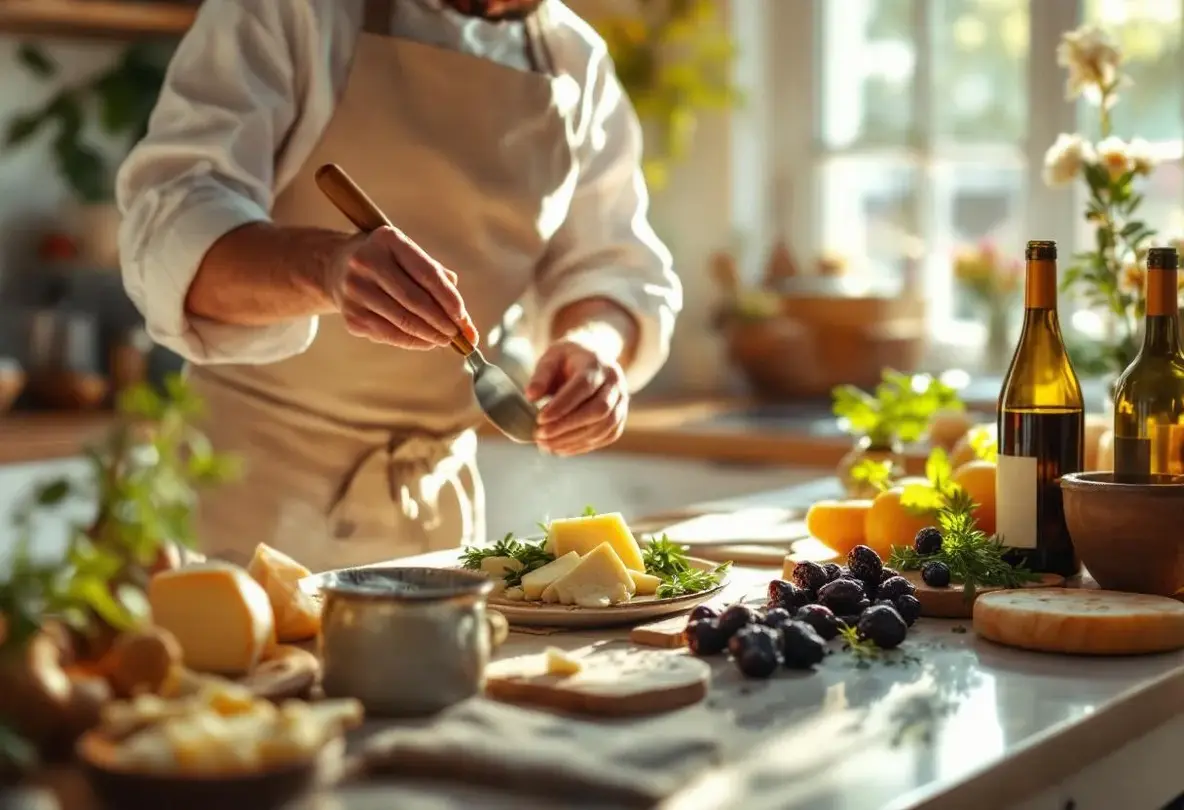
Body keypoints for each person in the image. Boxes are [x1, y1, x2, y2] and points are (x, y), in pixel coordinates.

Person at [117, 0, 682, 572]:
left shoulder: (573, 59)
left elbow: (613, 265)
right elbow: (173, 225)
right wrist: (327, 269)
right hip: (249, 500)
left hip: (439, 520)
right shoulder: (291, 11)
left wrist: (594, 346)